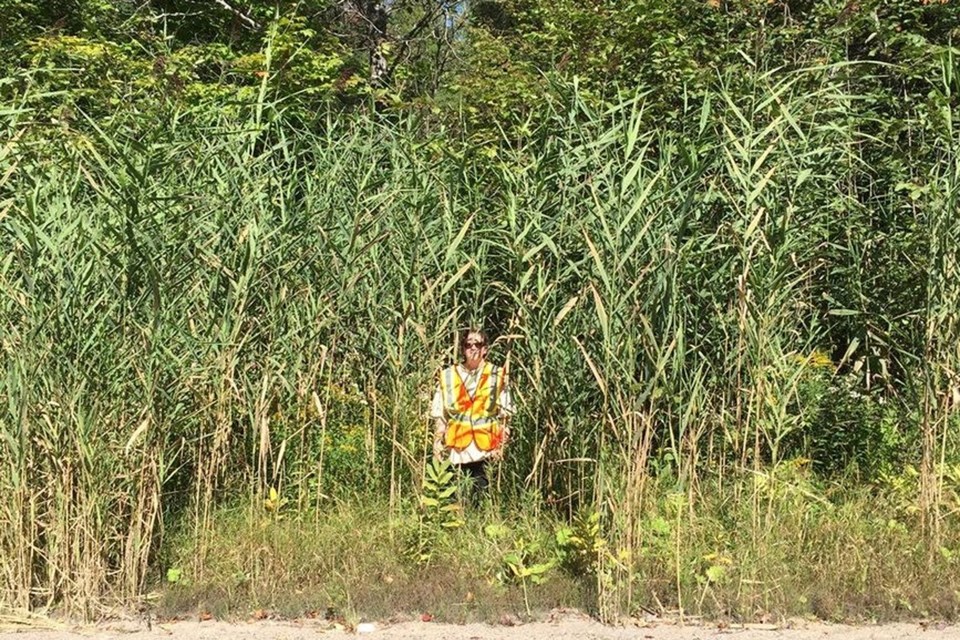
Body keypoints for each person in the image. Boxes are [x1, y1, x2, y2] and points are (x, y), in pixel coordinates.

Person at [430, 328, 514, 493]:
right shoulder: (448, 375)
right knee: (455, 499)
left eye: (478, 344)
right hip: (456, 450)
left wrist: (501, 446)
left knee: (481, 499)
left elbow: (505, 416)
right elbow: (440, 416)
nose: (473, 348)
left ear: (485, 349)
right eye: (468, 344)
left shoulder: (497, 375)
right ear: (463, 348)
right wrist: (437, 444)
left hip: (486, 450)